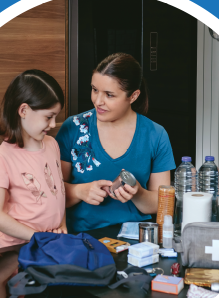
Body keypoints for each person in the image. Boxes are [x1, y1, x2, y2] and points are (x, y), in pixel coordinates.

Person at [57, 53, 176, 235]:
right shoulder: (73, 128)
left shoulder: (155, 135)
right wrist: (80, 191)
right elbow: (50, 193)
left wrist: (138, 193)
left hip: (136, 243)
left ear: (133, 96)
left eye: (109, 95)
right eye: (94, 89)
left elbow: (161, 205)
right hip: (81, 240)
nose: (98, 101)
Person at [0, 70, 67, 249]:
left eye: (55, 117)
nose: (53, 125)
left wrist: (62, 224)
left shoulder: (52, 144)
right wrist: (36, 237)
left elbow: (57, 192)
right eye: (48, 117)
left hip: (48, 243)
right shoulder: (1, 157)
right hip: (17, 248)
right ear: (23, 110)